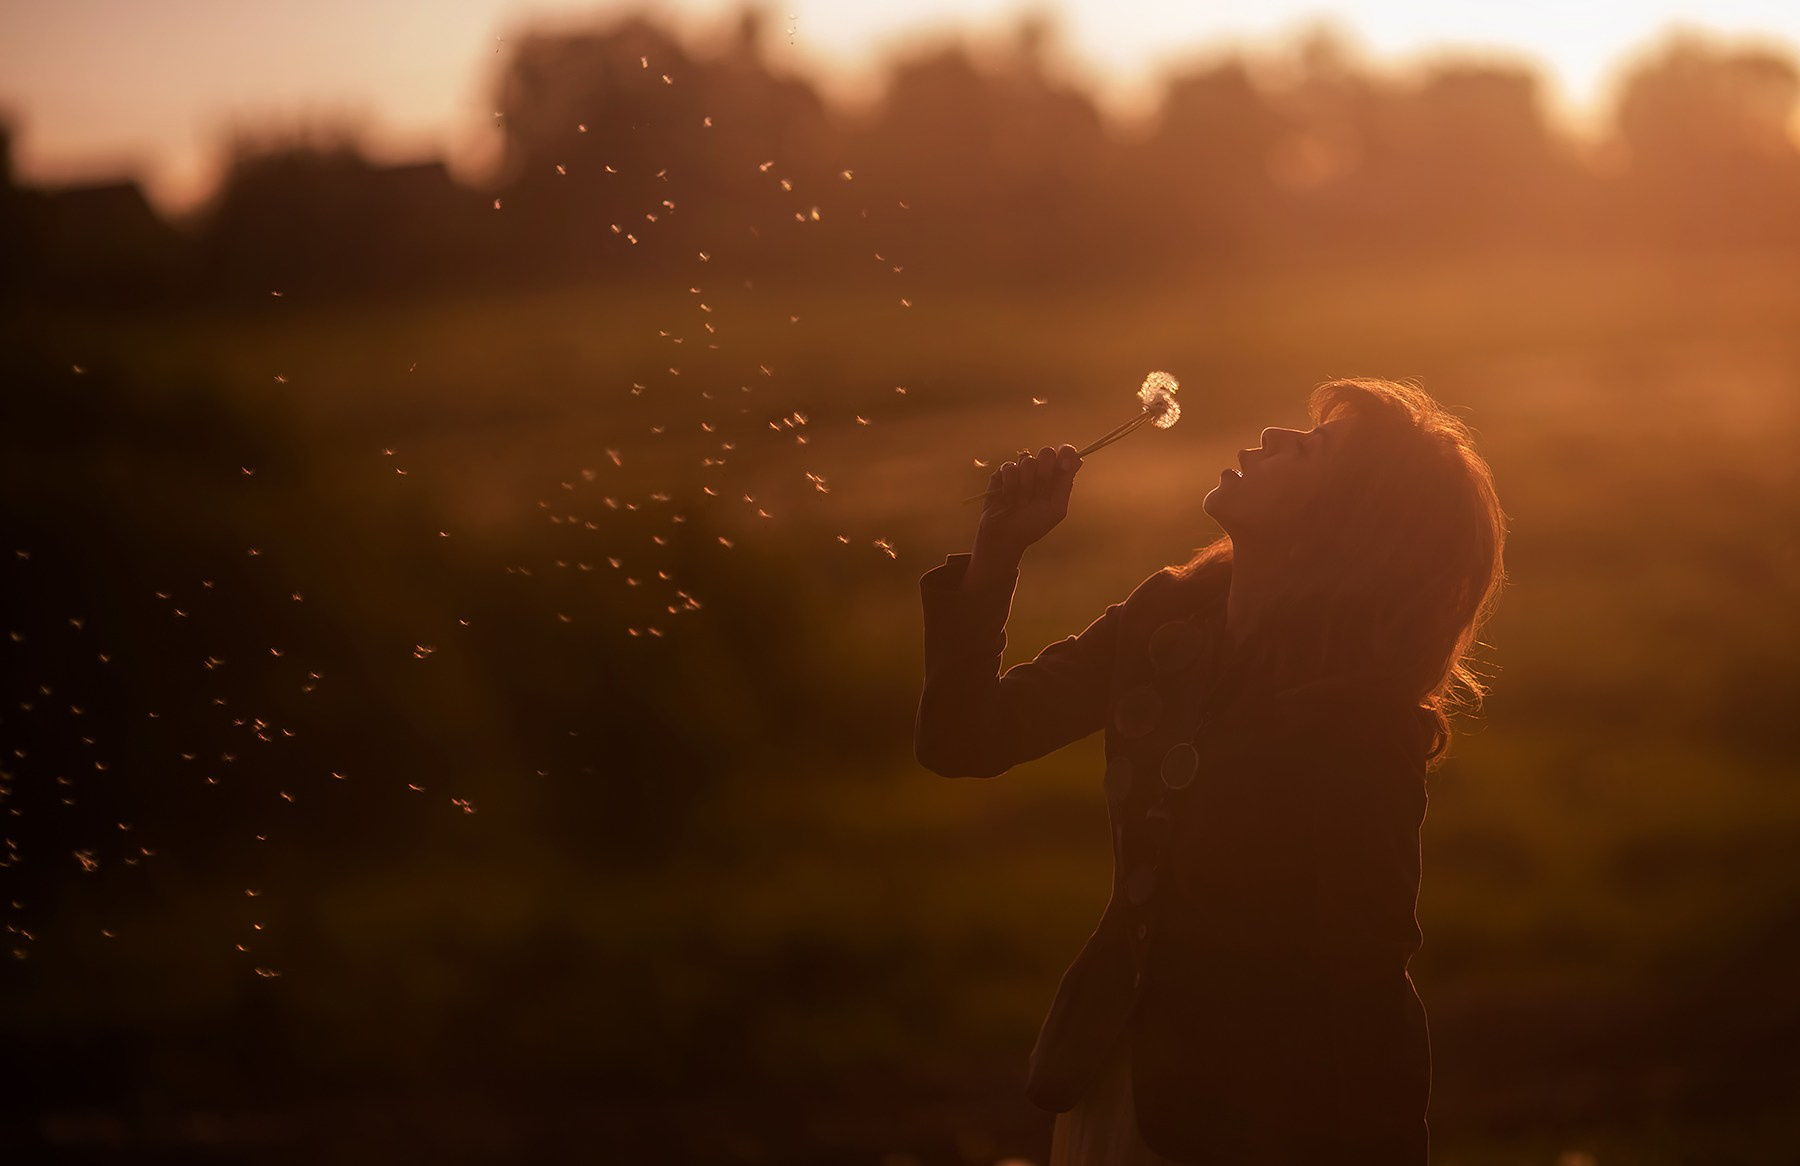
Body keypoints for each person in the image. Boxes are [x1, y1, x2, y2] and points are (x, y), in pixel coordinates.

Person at [914, 378, 1506, 1164]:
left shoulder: (1357, 735)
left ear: (1348, 522)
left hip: (1251, 1125)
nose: (1271, 434)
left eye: (1311, 447)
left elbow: (1363, 992)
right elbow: (964, 740)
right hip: (1107, 1088)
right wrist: (999, 551)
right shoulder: (1163, 624)